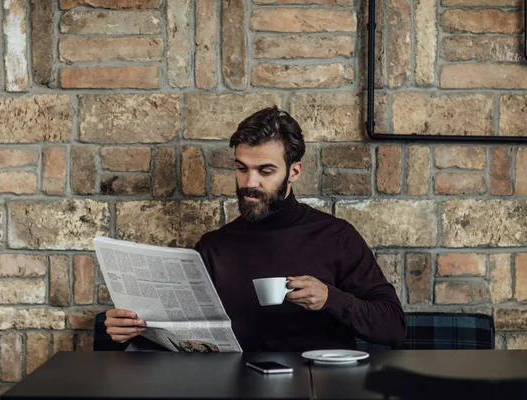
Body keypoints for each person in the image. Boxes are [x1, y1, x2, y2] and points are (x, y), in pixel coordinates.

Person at [105, 106, 406, 351]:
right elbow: (180, 332)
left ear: (294, 171)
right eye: (241, 168)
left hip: (317, 387)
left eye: (265, 171)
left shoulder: (336, 237)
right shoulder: (213, 247)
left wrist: (330, 298)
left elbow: (393, 328)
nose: (250, 183)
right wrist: (131, 330)